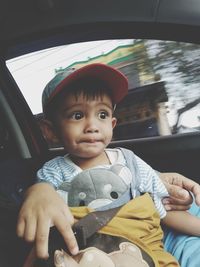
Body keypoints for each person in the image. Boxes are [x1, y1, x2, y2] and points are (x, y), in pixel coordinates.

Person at [17, 63, 200, 266]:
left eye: (102, 115)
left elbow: (163, 210)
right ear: (50, 131)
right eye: (77, 115)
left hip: (139, 250)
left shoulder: (131, 162)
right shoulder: (54, 171)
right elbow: (41, 200)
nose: (92, 126)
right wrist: (38, 191)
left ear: (112, 124)